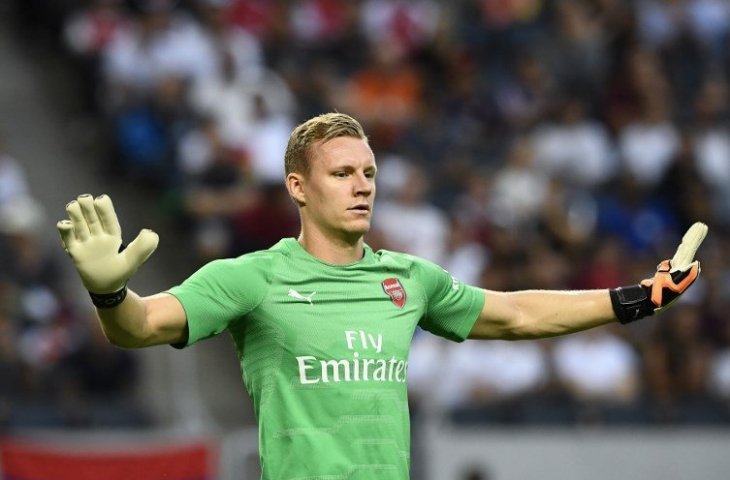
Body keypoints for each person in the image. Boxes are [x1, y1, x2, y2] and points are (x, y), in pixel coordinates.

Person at [56, 112, 706, 480]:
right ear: (298, 187)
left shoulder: (410, 279)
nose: (362, 185)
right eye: (342, 173)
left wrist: (634, 300)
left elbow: (515, 315)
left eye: (369, 172)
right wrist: (109, 291)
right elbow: (139, 328)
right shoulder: (249, 276)